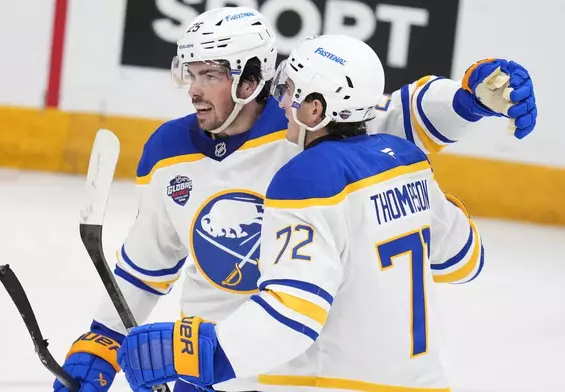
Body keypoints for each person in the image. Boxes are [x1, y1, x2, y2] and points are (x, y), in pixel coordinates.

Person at [53, 6, 537, 392]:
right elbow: (147, 262)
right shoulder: (166, 151)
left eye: (210, 76)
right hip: (204, 366)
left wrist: (467, 102)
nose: (194, 91)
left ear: (249, 79)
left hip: (291, 368)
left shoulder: (310, 129)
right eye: (190, 74)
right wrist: (104, 336)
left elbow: (400, 110)